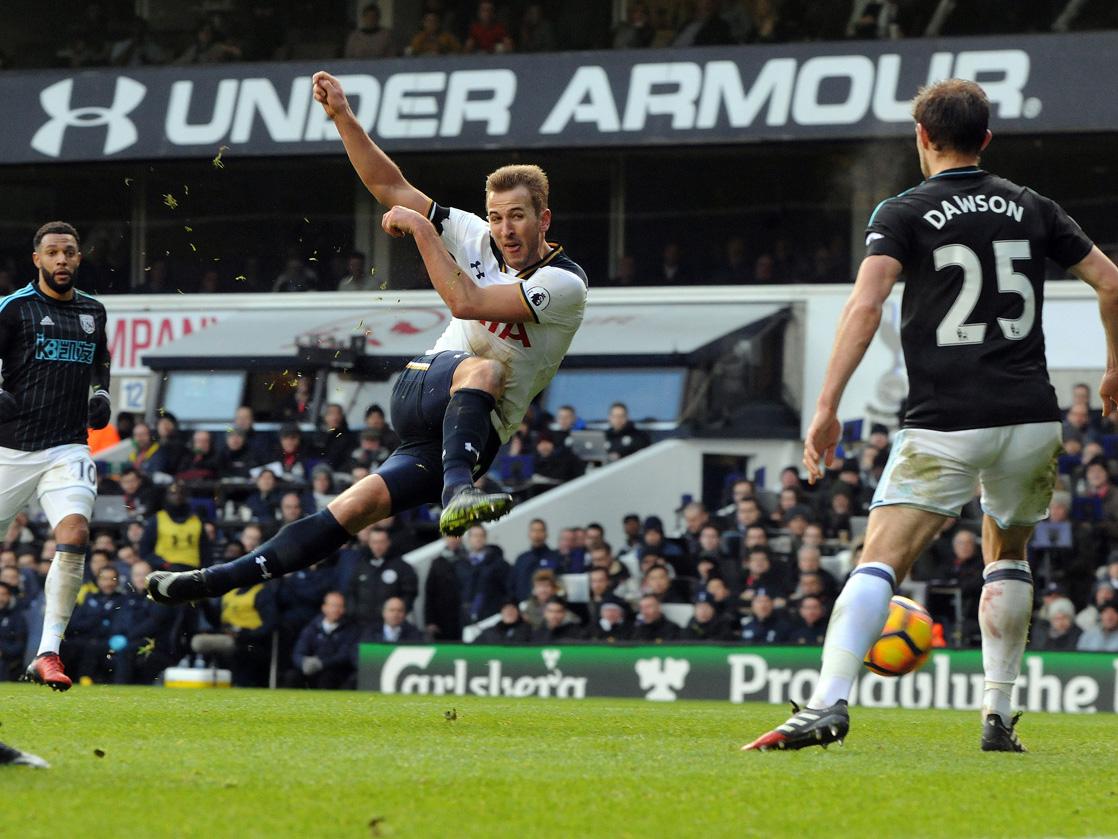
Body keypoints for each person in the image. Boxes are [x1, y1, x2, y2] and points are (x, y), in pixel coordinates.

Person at [745, 79, 1118, 754]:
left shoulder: (906, 210)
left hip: (947, 418)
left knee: (879, 559)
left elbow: (865, 306)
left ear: (923, 137)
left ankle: (828, 701)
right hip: (1032, 417)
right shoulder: (1032, 205)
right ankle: (998, 715)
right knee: (1007, 553)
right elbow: (1111, 280)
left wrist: (827, 405)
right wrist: (1115, 365)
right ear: (986, 139)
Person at [150, 71, 587, 608]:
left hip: (470, 435)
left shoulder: (564, 283)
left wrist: (421, 232)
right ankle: (459, 493)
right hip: (427, 386)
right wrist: (342, 117)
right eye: (496, 217)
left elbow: (466, 302)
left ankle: (208, 582)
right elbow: (391, 188)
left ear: (544, 219)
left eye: (517, 217)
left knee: (351, 510)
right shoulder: (474, 234)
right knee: (486, 368)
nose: (504, 229)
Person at [0, 223, 112, 691]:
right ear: (37, 260)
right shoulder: (14, 309)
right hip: (11, 449)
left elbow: (99, 360)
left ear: (79, 258)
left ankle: (47, 652)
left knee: (76, 532)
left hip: (68, 446)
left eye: (69, 252)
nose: (61, 259)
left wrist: (102, 392)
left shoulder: (92, 310)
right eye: (52, 252)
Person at [291, 592, 360, 689]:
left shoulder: (351, 629)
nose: (336, 610)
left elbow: (345, 655)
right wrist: (303, 663)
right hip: (310, 668)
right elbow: (298, 651)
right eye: (333, 606)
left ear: (344, 609)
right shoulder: (312, 627)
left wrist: (321, 664)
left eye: (339, 606)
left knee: (328, 677)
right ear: (324, 607)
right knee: (292, 677)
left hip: (334, 671)